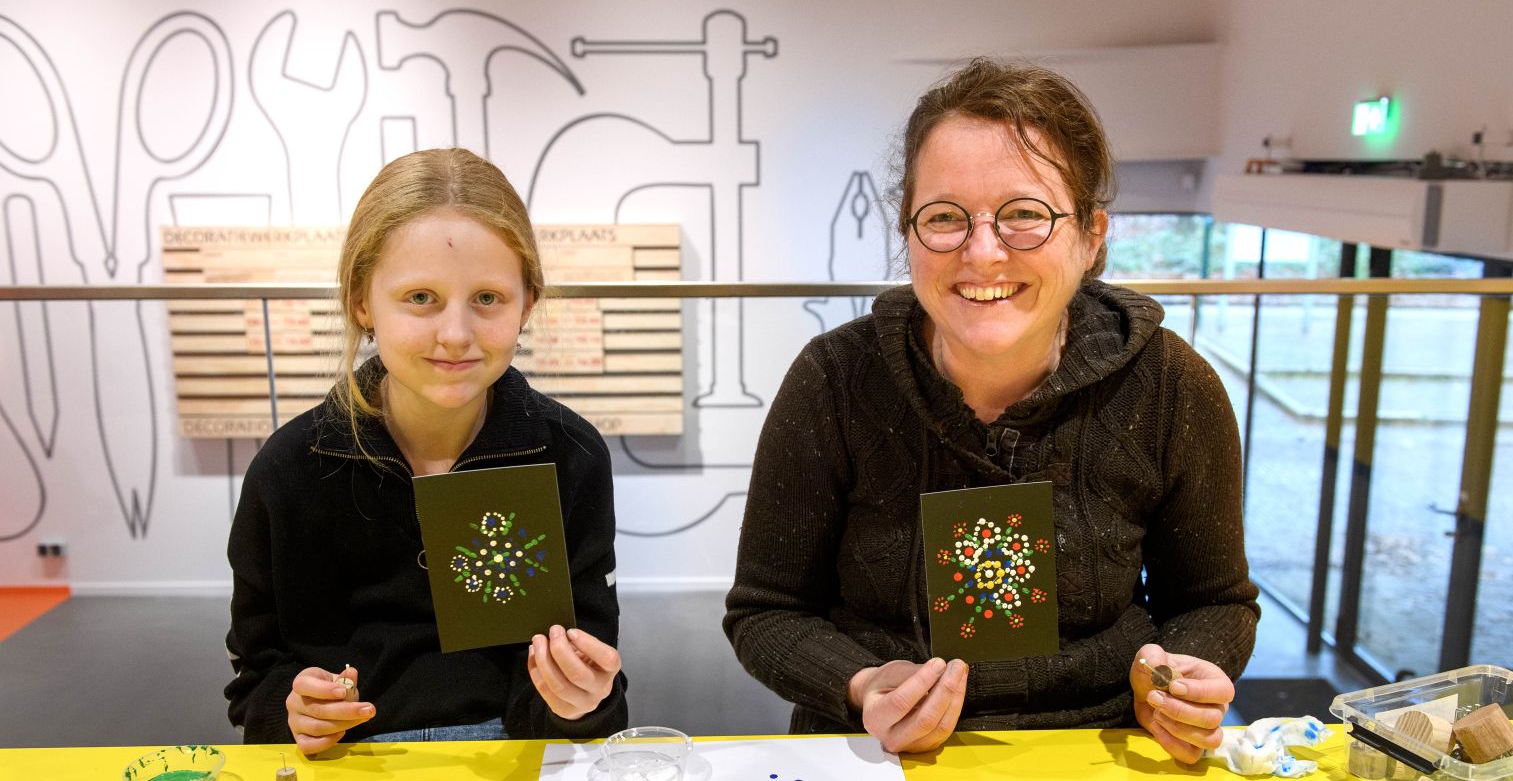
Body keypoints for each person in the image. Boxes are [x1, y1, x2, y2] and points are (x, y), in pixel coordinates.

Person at [723, 59, 1259, 763]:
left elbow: (1215, 599)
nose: (982, 253)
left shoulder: (1169, 385)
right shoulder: (834, 381)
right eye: (944, 218)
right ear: (908, 234)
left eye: (1024, 216)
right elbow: (765, 610)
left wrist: (1182, 674)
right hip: (878, 752)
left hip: (1099, 744)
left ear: (1092, 235)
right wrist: (862, 684)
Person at [225, 148, 626, 752]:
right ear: (363, 302)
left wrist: (584, 700)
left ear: (527, 305)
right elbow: (258, 678)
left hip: (518, 754)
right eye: (420, 298)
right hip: (351, 759)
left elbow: (593, 674)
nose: (457, 334)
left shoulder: (571, 456)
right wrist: (296, 711)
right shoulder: (290, 469)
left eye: (488, 298)